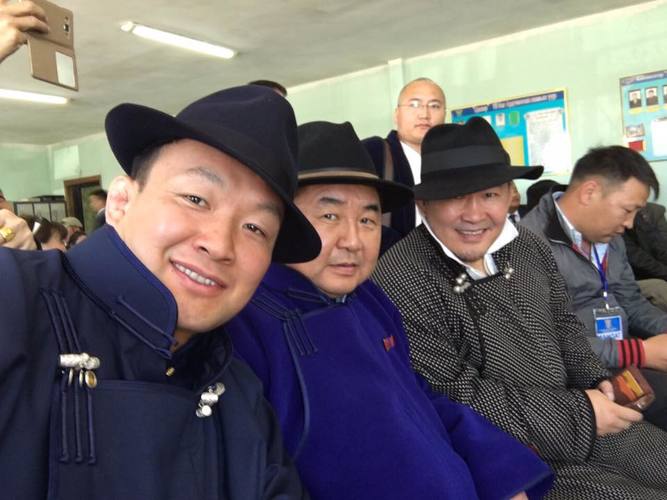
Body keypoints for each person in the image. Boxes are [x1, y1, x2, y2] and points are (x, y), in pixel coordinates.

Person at [0, 85, 322, 499]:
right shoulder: (15, 299)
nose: (220, 245)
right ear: (120, 202)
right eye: (195, 198)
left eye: (255, 228)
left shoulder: (238, 391)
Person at [226, 120, 553, 500]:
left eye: (368, 219)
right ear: (278, 219)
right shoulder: (245, 321)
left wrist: (505, 477)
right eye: (329, 216)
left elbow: (418, 398)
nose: (353, 241)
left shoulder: (367, 298)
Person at [374, 117, 667, 498]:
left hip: (587, 414)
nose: (474, 214)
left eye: (489, 195)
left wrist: (600, 383)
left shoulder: (528, 246)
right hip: (509, 456)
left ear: (509, 194)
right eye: (455, 197)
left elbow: (566, 328)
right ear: (424, 204)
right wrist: (581, 413)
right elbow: (454, 394)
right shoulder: (400, 277)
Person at [521, 146, 667, 430]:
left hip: (623, 353)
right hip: (580, 373)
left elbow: (631, 302)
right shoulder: (529, 243)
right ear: (589, 192)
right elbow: (548, 340)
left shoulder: (609, 235)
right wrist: (639, 352)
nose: (629, 224)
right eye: (627, 210)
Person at [363, 77, 446, 250]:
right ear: (397, 114)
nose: (424, 114)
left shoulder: (453, 162)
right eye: (414, 104)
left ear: (444, 115)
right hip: (388, 260)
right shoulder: (373, 153)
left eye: (434, 106)